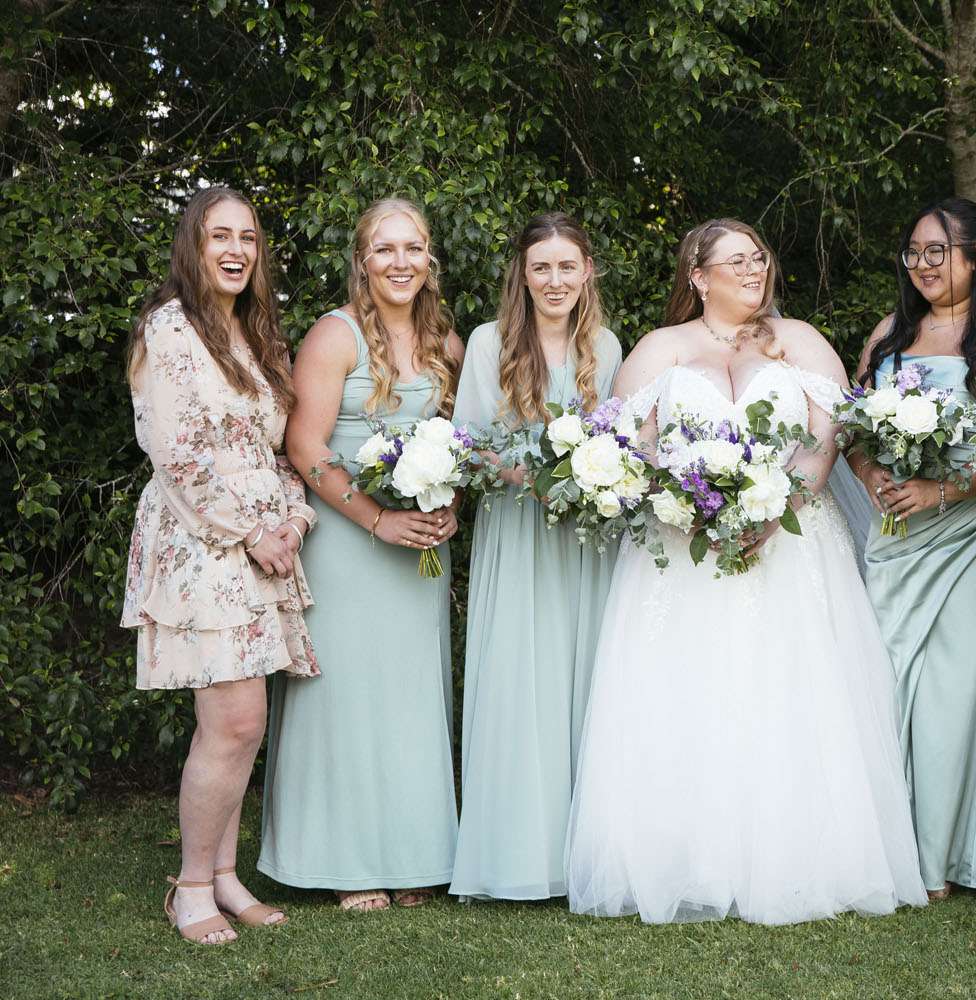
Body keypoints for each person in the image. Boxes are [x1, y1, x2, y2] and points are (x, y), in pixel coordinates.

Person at [564, 218, 926, 924]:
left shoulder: (801, 341)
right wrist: (684, 505)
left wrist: (775, 504)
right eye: (736, 262)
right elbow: (631, 451)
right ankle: (684, 858)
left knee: (791, 688)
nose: (754, 271)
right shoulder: (659, 350)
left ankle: (803, 856)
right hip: (681, 549)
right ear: (697, 276)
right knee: (685, 690)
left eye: (759, 259)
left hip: (792, 541)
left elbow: (827, 439)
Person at [121, 186, 317, 943]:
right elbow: (176, 454)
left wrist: (293, 515)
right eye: (219, 237)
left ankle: (227, 878)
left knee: (246, 721)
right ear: (193, 247)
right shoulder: (170, 329)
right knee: (231, 720)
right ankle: (191, 886)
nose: (236, 250)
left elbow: (274, 450)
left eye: (248, 238)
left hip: (264, 541)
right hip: (204, 542)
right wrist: (248, 531)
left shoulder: (254, 333)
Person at [258, 197, 465, 911]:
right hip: (350, 542)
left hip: (418, 552)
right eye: (386, 249)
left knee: (410, 696)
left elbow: (461, 443)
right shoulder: (334, 336)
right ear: (363, 260)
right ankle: (345, 862)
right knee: (345, 697)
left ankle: (412, 855)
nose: (401, 262)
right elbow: (305, 447)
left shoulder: (447, 343)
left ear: (429, 259)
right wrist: (377, 520)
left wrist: (448, 504)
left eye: (414, 249)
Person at [848, 197, 976, 899]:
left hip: (966, 532)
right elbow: (851, 429)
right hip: (896, 532)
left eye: (939, 250)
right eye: (914, 252)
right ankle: (881, 846)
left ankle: (946, 858)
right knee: (885, 677)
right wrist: (872, 474)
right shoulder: (889, 333)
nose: (924, 264)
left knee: (954, 693)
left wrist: (948, 491)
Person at [448, 213, 622, 900]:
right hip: (518, 530)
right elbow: (466, 444)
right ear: (523, 272)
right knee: (521, 679)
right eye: (541, 267)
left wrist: (594, 478)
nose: (555, 280)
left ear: (586, 272)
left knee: (580, 678)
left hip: (583, 540)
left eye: (567, 266)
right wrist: (530, 476)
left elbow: (620, 437)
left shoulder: (604, 347)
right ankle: (516, 854)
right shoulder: (491, 344)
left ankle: (579, 852)